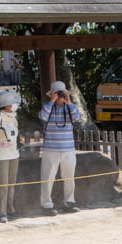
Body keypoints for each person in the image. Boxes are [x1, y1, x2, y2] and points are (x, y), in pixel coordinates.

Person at [39, 80, 83, 215]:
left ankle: (69, 202)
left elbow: (78, 118)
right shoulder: (48, 106)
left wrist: (69, 103)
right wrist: (51, 101)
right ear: (52, 94)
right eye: (57, 94)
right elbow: (42, 117)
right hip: (50, 149)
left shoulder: (70, 108)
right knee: (47, 177)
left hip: (68, 149)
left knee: (69, 177)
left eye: (61, 94)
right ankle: (46, 205)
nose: (60, 97)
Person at [0, 90, 20, 222]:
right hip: (1, 155)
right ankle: (0, 212)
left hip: (13, 154)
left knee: (11, 184)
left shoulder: (14, 118)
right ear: (6, 105)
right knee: (2, 185)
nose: (14, 105)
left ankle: (10, 209)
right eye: (12, 103)